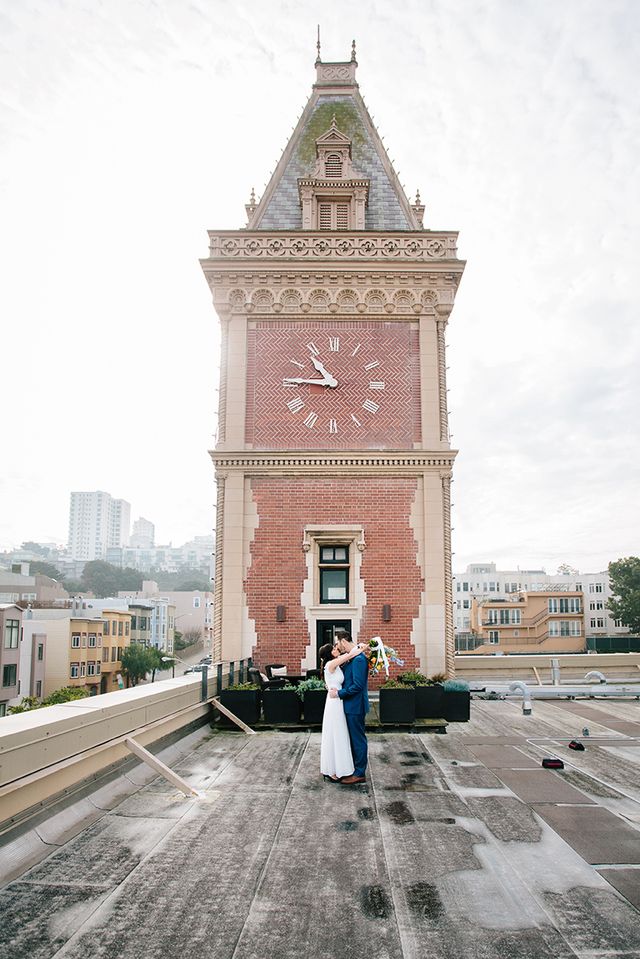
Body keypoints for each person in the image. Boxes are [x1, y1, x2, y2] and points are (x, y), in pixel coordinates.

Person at [318, 639, 364, 782]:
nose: (336, 649)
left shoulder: (337, 663)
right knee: (335, 734)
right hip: (334, 703)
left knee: (340, 734)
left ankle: (340, 767)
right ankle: (331, 769)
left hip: (339, 701)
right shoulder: (331, 664)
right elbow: (350, 655)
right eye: (333, 649)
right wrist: (360, 647)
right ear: (328, 655)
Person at [329, 630, 370, 785]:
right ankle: (353, 768)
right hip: (349, 705)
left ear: (343, 641)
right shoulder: (353, 657)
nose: (337, 646)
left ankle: (359, 773)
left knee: (358, 739)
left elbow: (357, 686)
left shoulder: (359, 660)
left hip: (355, 706)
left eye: (338, 643)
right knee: (352, 739)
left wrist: (339, 693)